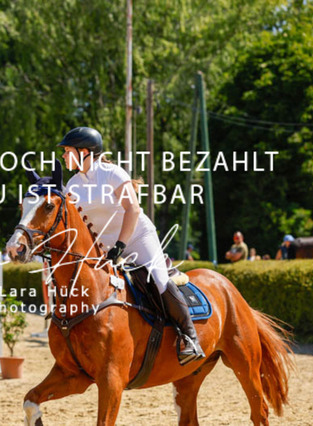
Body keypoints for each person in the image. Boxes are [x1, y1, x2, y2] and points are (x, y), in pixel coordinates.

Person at [58, 126, 204, 365]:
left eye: (67, 151)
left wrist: (120, 244)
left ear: (84, 152)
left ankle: (190, 337)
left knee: (159, 280)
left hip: (137, 237)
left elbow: (133, 209)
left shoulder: (112, 173)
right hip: (105, 250)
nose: (64, 156)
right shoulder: (72, 185)